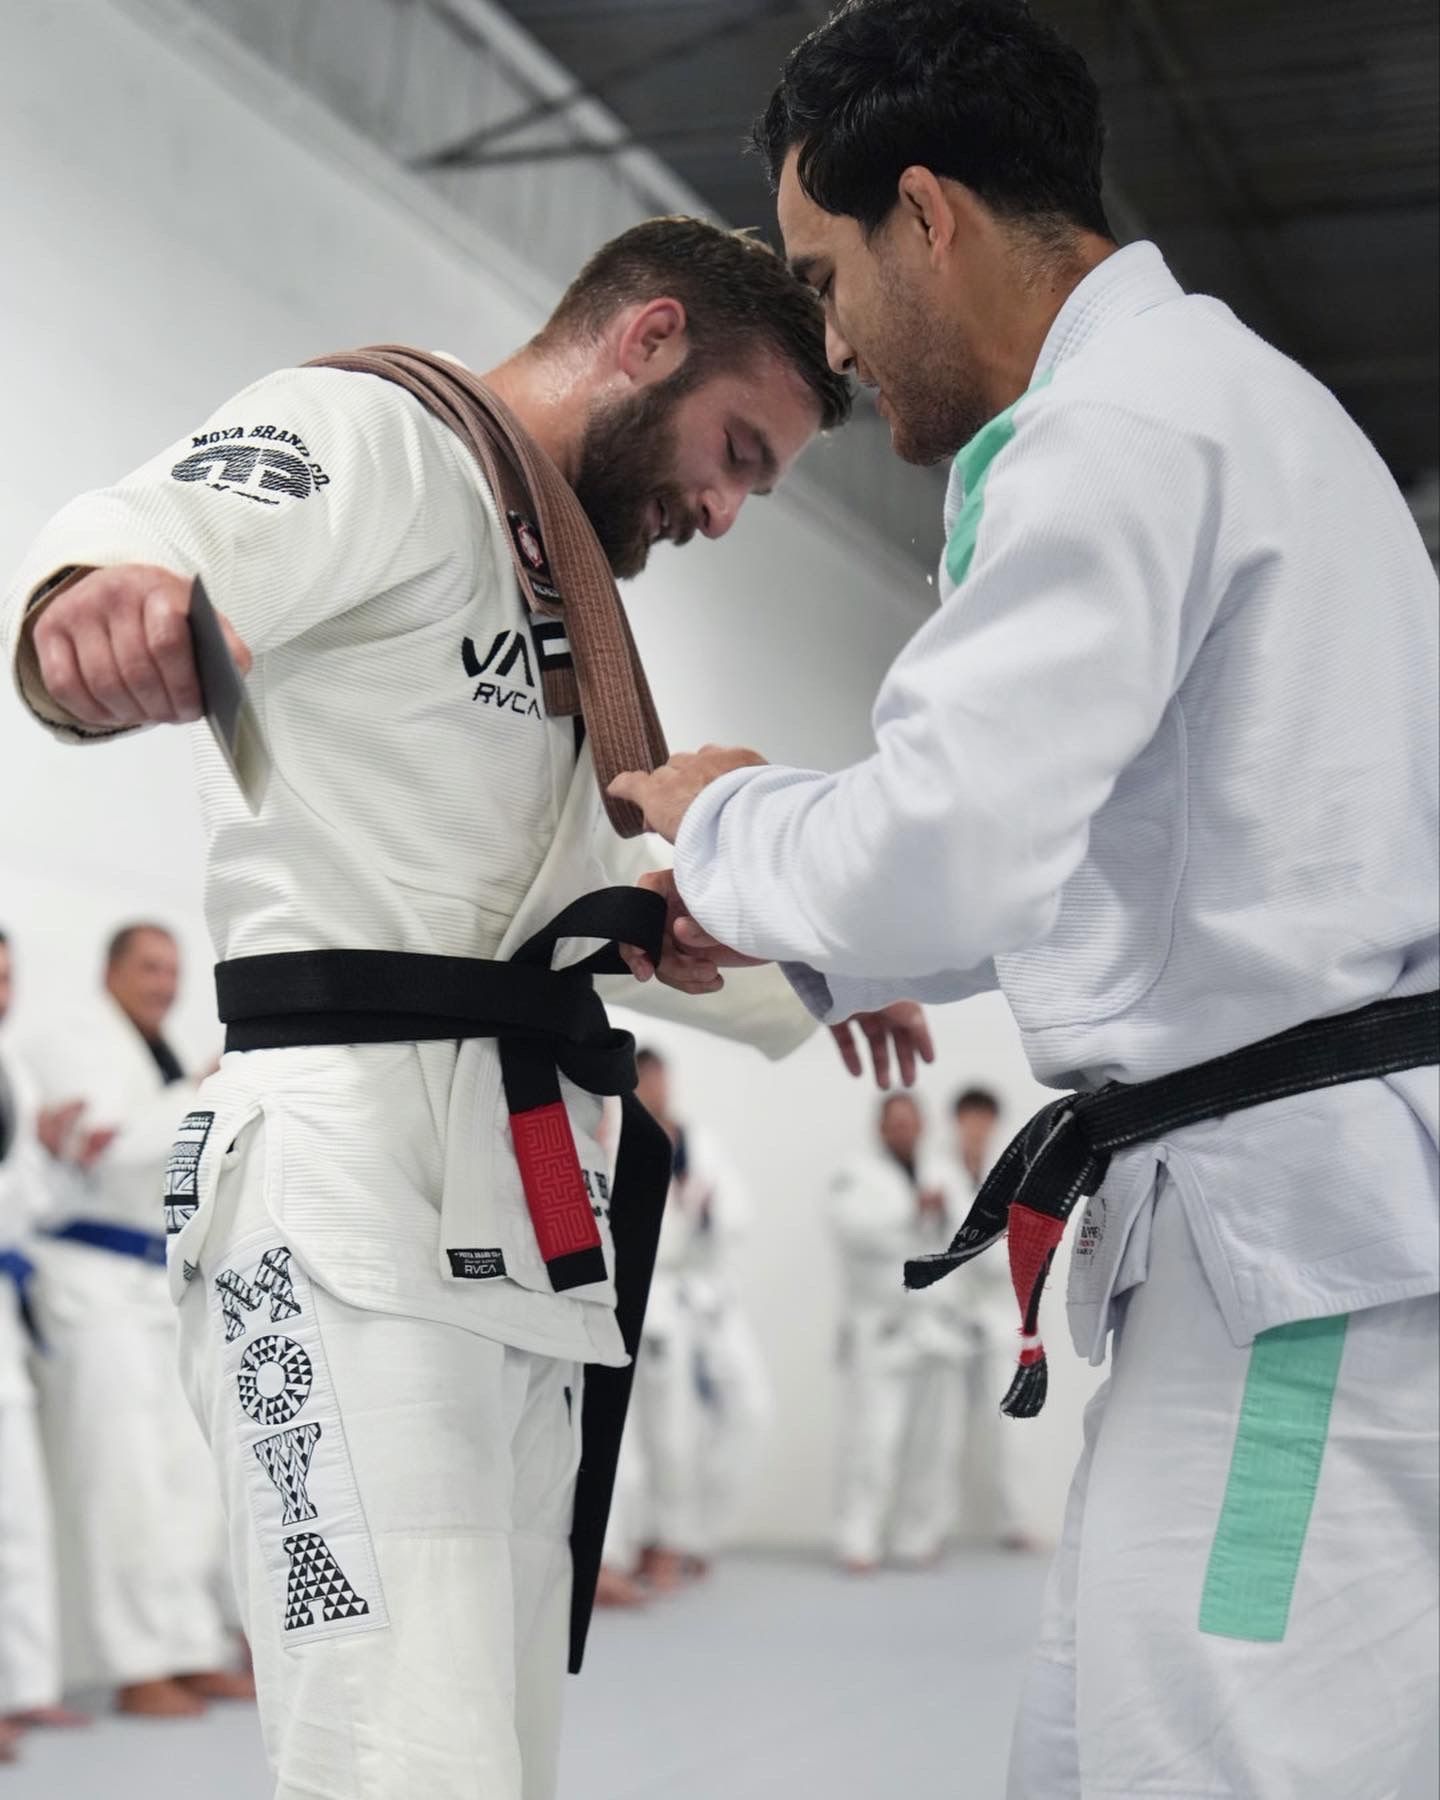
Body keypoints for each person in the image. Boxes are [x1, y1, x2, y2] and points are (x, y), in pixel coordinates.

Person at [610, 5, 1440, 1796]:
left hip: (1303, 1274)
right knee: (1087, 1754)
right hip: (1277, 1252)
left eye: (827, 279)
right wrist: (796, 945)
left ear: (929, 214)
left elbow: (953, 839)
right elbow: (1105, 856)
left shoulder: (1119, 429)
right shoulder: (1214, 407)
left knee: (1233, 1765)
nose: (831, 344)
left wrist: (723, 818)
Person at [1, 217, 924, 1799]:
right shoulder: (385, 430)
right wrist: (87, 601)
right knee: (397, 1759)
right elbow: (140, 533)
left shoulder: (564, 584)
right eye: (733, 452)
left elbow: (569, 898)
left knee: (493, 1752)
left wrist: (806, 959)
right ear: (645, 341)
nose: (719, 508)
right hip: (341, 1199)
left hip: (515, 1222)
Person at [22, 924, 248, 1719]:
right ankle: (132, 1662)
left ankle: (188, 1645)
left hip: (161, 1282)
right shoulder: (67, 1038)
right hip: (89, 1283)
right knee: (121, 1483)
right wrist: (200, 1089)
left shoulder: (161, 1054)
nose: (164, 983)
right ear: (110, 969)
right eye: (149, 968)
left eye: (174, 969)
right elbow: (108, 1149)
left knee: (187, 1479)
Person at [622, 1046, 771, 1590]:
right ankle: (661, 1540)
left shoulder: (701, 1144)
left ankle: (697, 1533)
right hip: (653, 1298)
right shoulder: (618, 1140)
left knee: (750, 1413)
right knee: (662, 1430)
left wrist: (704, 1207)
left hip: (709, 1296)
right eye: (643, 1080)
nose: (654, 1089)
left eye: (659, 1078)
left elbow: (737, 1212)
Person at [0, 931, 91, 1761]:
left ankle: (24, 1687)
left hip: (5, 1301)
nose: (1, 991)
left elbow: (26, 1199)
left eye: (5, 978)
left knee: (18, 1506)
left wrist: (64, 1154)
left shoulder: (12, 1072)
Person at [828, 1091, 968, 1572]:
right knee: (873, 1440)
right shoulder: (855, 1173)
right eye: (896, 1123)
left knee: (933, 1442)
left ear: (923, 1125)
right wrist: (912, 1209)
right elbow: (850, 1228)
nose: (904, 1130)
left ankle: (916, 1536)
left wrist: (940, 1209)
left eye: (911, 1122)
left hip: (934, 1327)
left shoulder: (945, 1170)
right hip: (882, 1325)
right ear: (881, 1127)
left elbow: (974, 1232)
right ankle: (858, 1539)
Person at [945, 1087, 1033, 1551]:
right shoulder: (934, 1172)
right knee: (942, 1424)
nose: (976, 1127)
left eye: (984, 1119)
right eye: (969, 1118)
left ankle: (1014, 1522)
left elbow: (1013, 1251)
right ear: (957, 1121)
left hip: (998, 1317)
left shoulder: (1014, 1176)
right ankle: (931, 1526)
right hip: (945, 1317)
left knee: (1008, 1426)